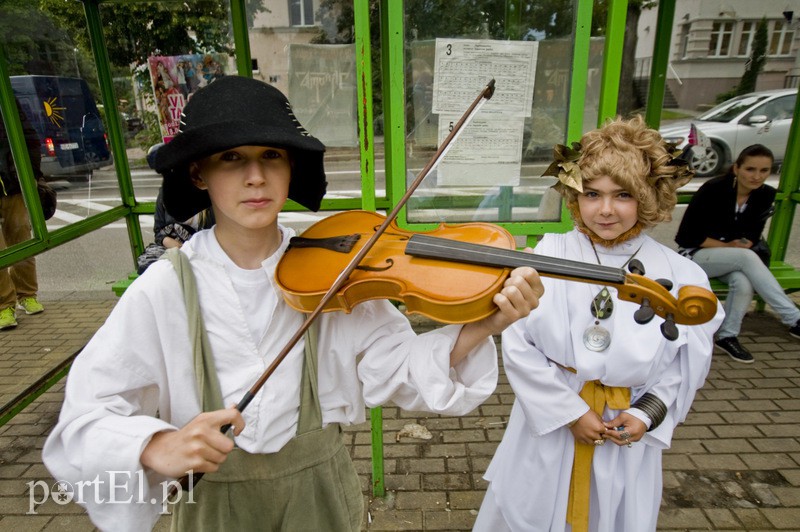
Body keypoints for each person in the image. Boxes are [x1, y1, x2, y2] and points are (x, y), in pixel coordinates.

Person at [43, 76, 544, 531]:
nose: (256, 177)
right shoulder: (165, 289)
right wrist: (155, 445)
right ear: (199, 174)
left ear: (290, 168)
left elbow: (402, 367)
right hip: (214, 511)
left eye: (272, 156)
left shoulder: (337, 272)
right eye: (231, 158)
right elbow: (85, 420)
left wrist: (485, 324)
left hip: (319, 500)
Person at [473, 116, 724, 532]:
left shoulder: (682, 276)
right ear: (575, 196)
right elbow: (520, 345)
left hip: (622, 428)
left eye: (623, 194)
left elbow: (685, 363)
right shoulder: (547, 255)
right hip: (550, 424)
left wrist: (647, 413)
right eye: (592, 194)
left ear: (648, 198)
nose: (605, 209)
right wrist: (570, 412)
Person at [676, 144, 800, 363]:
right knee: (746, 258)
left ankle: (727, 335)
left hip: (732, 260)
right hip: (694, 255)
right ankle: (794, 318)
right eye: (750, 169)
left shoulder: (765, 195)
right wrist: (729, 246)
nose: (757, 176)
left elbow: (751, 235)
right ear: (736, 169)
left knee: (743, 282)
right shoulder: (713, 190)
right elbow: (687, 236)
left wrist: (739, 244)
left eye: (764, 171)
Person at [0, 100, 46, 330]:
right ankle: (3, 305)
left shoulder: (5, 99)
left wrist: (32, 175)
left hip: (12, 183)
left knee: (21, 238)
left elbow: (29, 137)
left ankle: (26, 294)